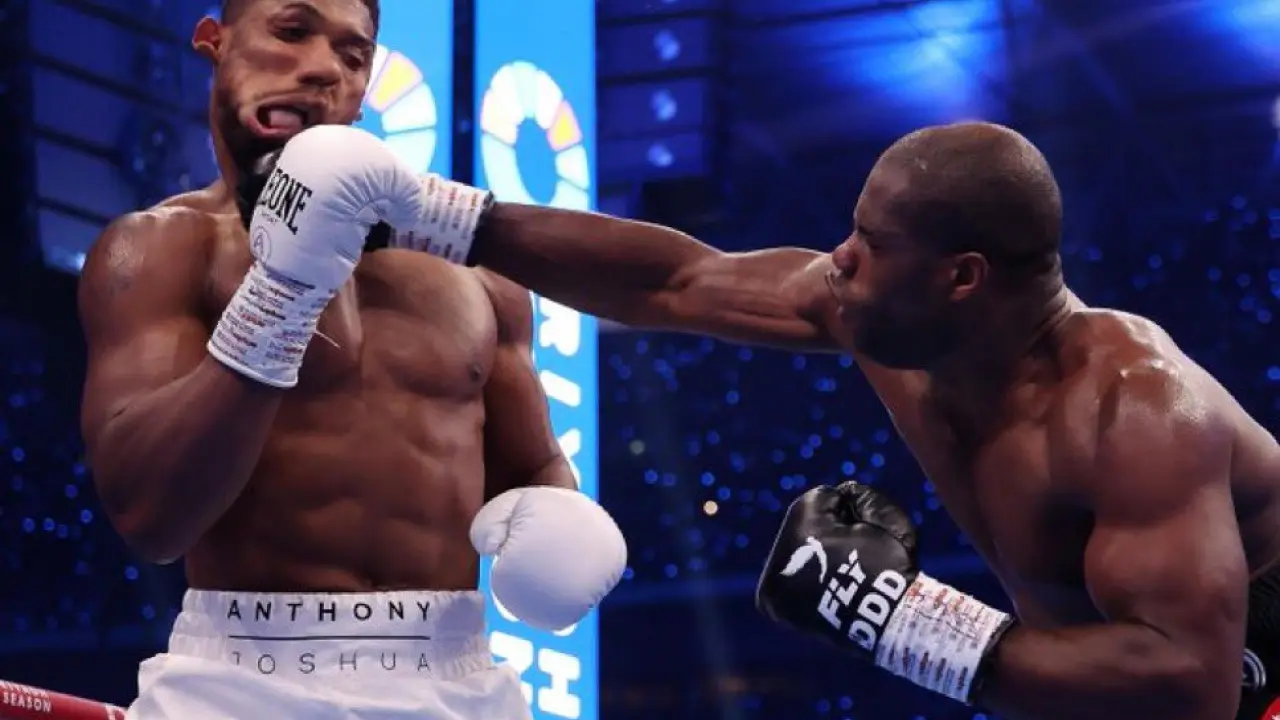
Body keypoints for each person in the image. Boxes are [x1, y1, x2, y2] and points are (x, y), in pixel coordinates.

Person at [395, 120, 1280, 719]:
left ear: (961, 277)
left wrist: (903, 622)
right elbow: (675, 281)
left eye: (873, 244)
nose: (841, 259)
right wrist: (433, 216)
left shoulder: (1133, 412)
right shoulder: (877, 316)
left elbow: (1191, 685)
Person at [77, 1, 625, 717]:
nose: (320, 68)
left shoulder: (475, 271)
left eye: (352, 54)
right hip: (239, 682)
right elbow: (151, 518)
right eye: (291, 30)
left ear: (364, 90)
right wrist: (278, 297)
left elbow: (532, 467)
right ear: (215, 41)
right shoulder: (162, 248)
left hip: (458, 678)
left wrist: (562, 517)